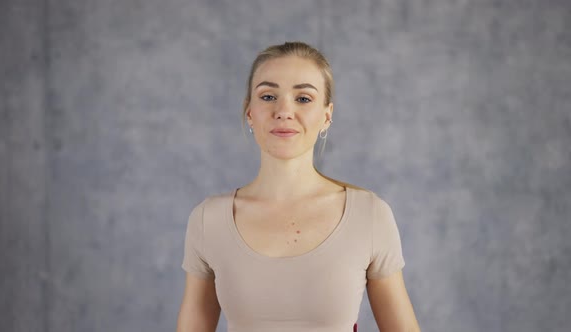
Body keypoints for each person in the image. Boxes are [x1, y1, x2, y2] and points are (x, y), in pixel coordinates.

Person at [176, 41, 420, 332]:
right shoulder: (208, 220)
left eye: (303, 99)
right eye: (268, 96)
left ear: (327, 115)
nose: (283, 111)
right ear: (249, 112)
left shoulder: (370, 216)